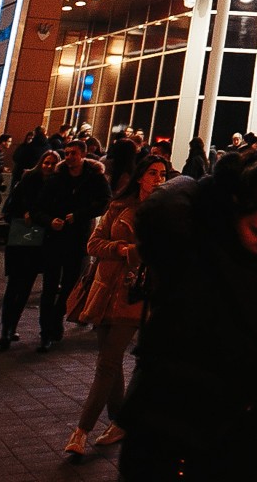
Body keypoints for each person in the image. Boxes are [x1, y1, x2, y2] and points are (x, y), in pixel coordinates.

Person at [118, 152, 257, 479]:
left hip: (231, 432)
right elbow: (164, 209)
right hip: (172, 433)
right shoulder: (194, 253)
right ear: (234, 208)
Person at [64, 151, 169, 457]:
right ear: (140, 176)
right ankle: (120, 422)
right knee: (110, 365)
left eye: (162, 175)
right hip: (102, 290)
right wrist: (122, 249)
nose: (158, 179)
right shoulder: (119, 206)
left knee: (107, 364)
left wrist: (133, 252)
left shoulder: (162, 213)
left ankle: (81, 431)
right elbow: (93, 244)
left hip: (132, 295)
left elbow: (159, 253)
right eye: (153, 173)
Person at [34, 139, 110, 350]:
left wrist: (78, 216)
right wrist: (50, 221)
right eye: (66, 153)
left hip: (78, 239)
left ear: (83, 155)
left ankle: (56, 317)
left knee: (70, 284)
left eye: (73, 153)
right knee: (49, 286)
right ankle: (45, 331)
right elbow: (39, 207)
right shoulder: (57, 179)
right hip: (55, 238)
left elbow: (105, 201)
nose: (69, 157)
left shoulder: (94, 178)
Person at [0, 148, 58, 347]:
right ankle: (6, 328)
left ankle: (11, 326)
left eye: (52, 163)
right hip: (23, 234)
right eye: (46, 162)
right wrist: (23, 212)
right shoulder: (28, 180)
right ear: (40, 163)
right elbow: (10, 207)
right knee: (14, 283)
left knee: (25, 286)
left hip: (40, 240)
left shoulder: (56, 185)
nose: (48, 167)